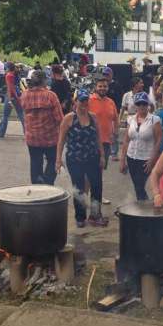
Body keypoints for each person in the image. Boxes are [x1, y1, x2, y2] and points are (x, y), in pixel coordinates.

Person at [56, 89, 108, 228]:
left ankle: (95, 215)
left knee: (97, 187)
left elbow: (98, 138)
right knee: (78, 188)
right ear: (76, 102)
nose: (84, 103)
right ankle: (80, 217)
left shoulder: (93, 117)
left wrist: (102, 156)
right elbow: (61, 140)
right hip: (75, 159)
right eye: (81, 101)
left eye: (86, 101)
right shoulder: (69, 118)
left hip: (93, 158)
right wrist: (58, 160)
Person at [20, 70, 64, 185]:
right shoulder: (51, 95)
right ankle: (47, 184)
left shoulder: (24, 95)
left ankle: (37, 188)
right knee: (53, 160)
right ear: (44, 80)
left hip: (32, 137)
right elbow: (59, 118)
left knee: (35, 162)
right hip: (50, 137)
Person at [120, 92, 162, 201]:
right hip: (131, 157)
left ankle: (144, 209)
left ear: (148, 105)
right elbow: (126, 140)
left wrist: (153, 159)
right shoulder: (131, 119)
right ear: (136, 106)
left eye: (144, 104)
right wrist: (122, 160)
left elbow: (158, 141)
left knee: (139, 186)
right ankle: (142, 208)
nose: (142, 106)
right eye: (139, 104)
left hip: (145, 159)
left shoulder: (154, 120)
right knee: (137, 187)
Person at [89, 77, 119, 170]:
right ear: (95, 87)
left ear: (108, 87)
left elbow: (115, 119)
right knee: (90, 170)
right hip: (91, 141)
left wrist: (115, 134)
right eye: (100, 86)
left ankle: (97, 185)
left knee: (101, 169)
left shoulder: (111, 102)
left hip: (106, 142)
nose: (102, 88)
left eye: (105, 86)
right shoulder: (89, 100)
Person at [0, 62, 25, 138]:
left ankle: (0, 133)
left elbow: (10, 88)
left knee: (5, 116)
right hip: (18, 95)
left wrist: (10, 99)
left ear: (8, 68)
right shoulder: (16, 74)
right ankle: (27, 132)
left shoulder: (9, 75)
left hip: (11, 96)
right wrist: (18, 97)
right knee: (21, 115)